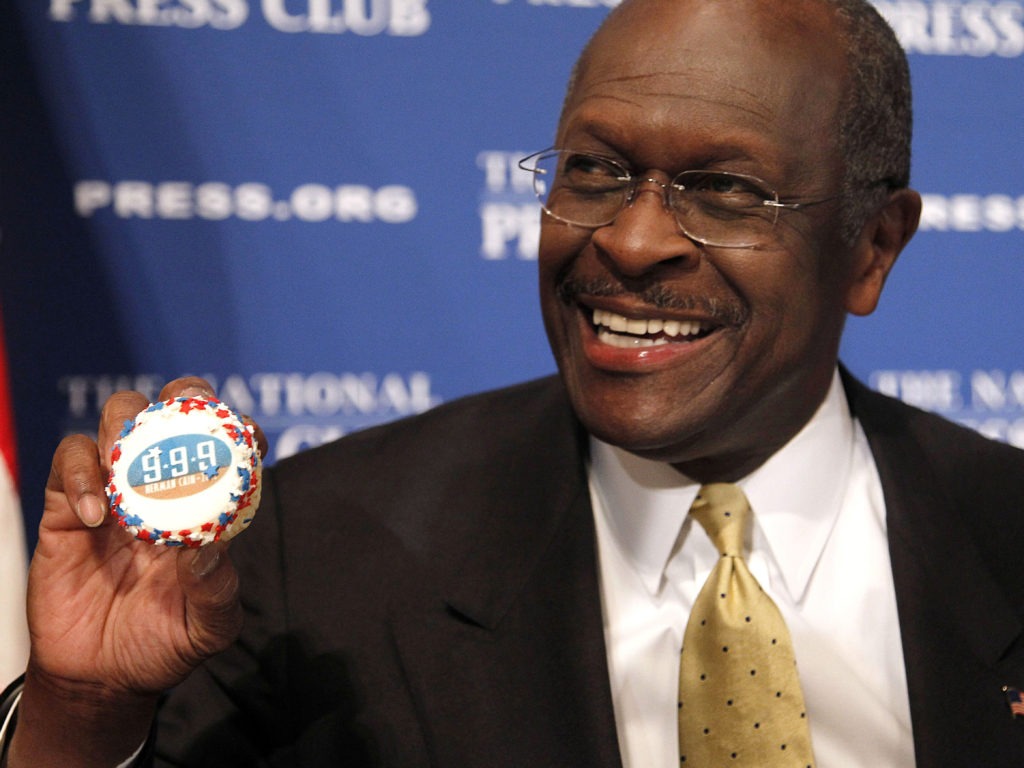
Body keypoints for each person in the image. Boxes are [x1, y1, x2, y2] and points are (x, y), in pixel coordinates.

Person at [5, 0, 1024, 765]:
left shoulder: (1006, 535)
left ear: (871, 249)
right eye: (595, 171)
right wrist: (83, 714)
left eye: (723, 190)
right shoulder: (305, 561)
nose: (628, 241)